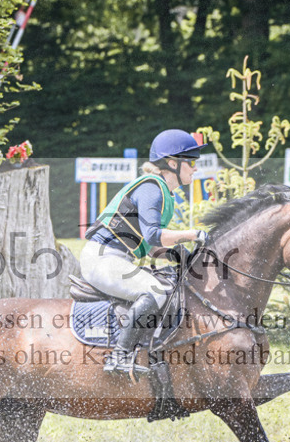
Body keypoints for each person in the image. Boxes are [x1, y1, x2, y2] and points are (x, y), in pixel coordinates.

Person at [81, 129, 209, 376]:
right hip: (102, 257)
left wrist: (178, 256)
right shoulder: (152, 187)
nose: (195, 168)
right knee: (155, 291)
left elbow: (150, 247)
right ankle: (118, 357)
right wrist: (192, 234)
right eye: (191, 163)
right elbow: (152, 234)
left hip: (116, 256)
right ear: (173, 163)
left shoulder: (163, 192)